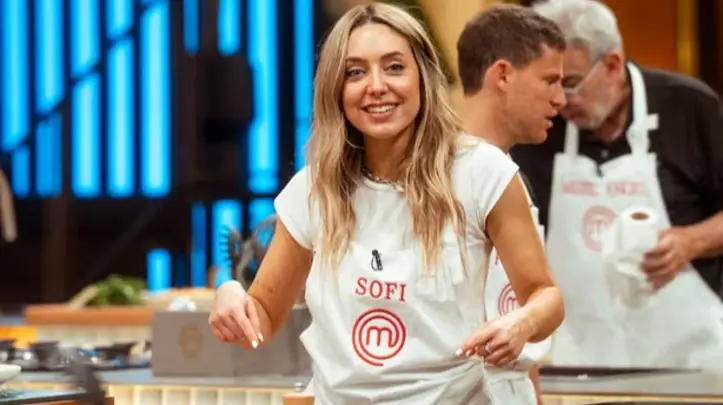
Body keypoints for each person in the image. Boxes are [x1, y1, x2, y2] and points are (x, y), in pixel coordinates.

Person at [209, 3, 564, 404]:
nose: (376, 86)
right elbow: (262, 318)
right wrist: (231, 295)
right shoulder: (313, 189)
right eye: (355, 72)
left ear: (422, 77)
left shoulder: (481, 171)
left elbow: (546, 297)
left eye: (394, 67)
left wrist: (521, 323)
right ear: (335, 89)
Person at [510, 0, 723, 366]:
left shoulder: (689, 107)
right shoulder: (541, 125)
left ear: (611, 64)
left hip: (690, 359)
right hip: (576, 358)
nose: (559, 100)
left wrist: (692, 241)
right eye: (549, 83)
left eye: (570, 83)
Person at [456, 5, 566, 405]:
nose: (560, 99)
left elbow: (522, 307)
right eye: (549, 80)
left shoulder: (513, 179)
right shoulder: (435, 178)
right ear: (502, 75)